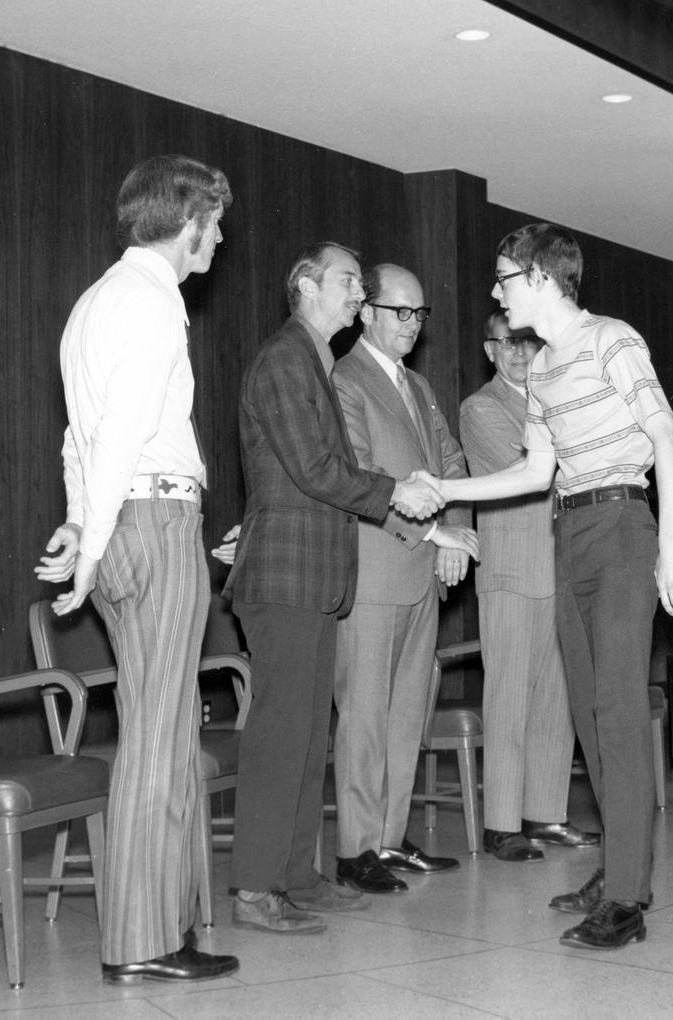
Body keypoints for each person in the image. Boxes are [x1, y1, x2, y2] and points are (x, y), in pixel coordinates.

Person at [433, 223, 673, 951]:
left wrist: (669, 548)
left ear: (543, 280)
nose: (495, 290)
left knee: (615, 711)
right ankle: (621, 871)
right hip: (569, 531)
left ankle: (625, 903)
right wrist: (441, 488)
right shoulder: (543, 371)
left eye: (504, 277)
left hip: (621, 525)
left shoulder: (614, 340)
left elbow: (665, 438)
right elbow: (533, 473)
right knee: (587, 713)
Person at [33, 154, 238, 983]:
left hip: (124, 519)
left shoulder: (93, 303)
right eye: (215, 222)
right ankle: (143, 943)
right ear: (187, 222)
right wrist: (88, 548)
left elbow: (78, 440)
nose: (220, 237)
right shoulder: (154, 304)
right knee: (160, 734)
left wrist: (86, 523)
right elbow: (116, 437)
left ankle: (162, 930)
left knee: (163, 724)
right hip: (155, 522)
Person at [221, 242, 456, 934]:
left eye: (360, 282)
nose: (359, 293)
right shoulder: (285, 359)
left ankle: (296, 875)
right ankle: (255, 889)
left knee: (307, 736)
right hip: (286, 576)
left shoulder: (313, 362)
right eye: (349, 281)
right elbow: (318, 468)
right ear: (306, 285)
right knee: (280, 737)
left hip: (316, 579)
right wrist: (397, 494)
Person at [329, 264, 478, 894]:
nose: (412, 326)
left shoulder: (418, 386)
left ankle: (389, 839)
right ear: (366, 311)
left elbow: (453, 462)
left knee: (406, 713)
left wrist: (459, 535)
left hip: (423, 573)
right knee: (364, 715)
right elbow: (359, 474)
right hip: (374, 570)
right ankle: (356, 849)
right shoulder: (343, 379)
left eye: (420, 314)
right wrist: (430, 533)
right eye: (400, 312)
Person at [459, 311, 600, 863]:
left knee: (556, 700)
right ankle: (501, 824)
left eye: (527, 343)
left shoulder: (553, 399)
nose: (518, 354)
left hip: (560, 567)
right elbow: (531, 468)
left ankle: (546, 814)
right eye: (506, 344)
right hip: (512, 571)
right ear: (489, 351)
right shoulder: (482, 407)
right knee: (510, 697)